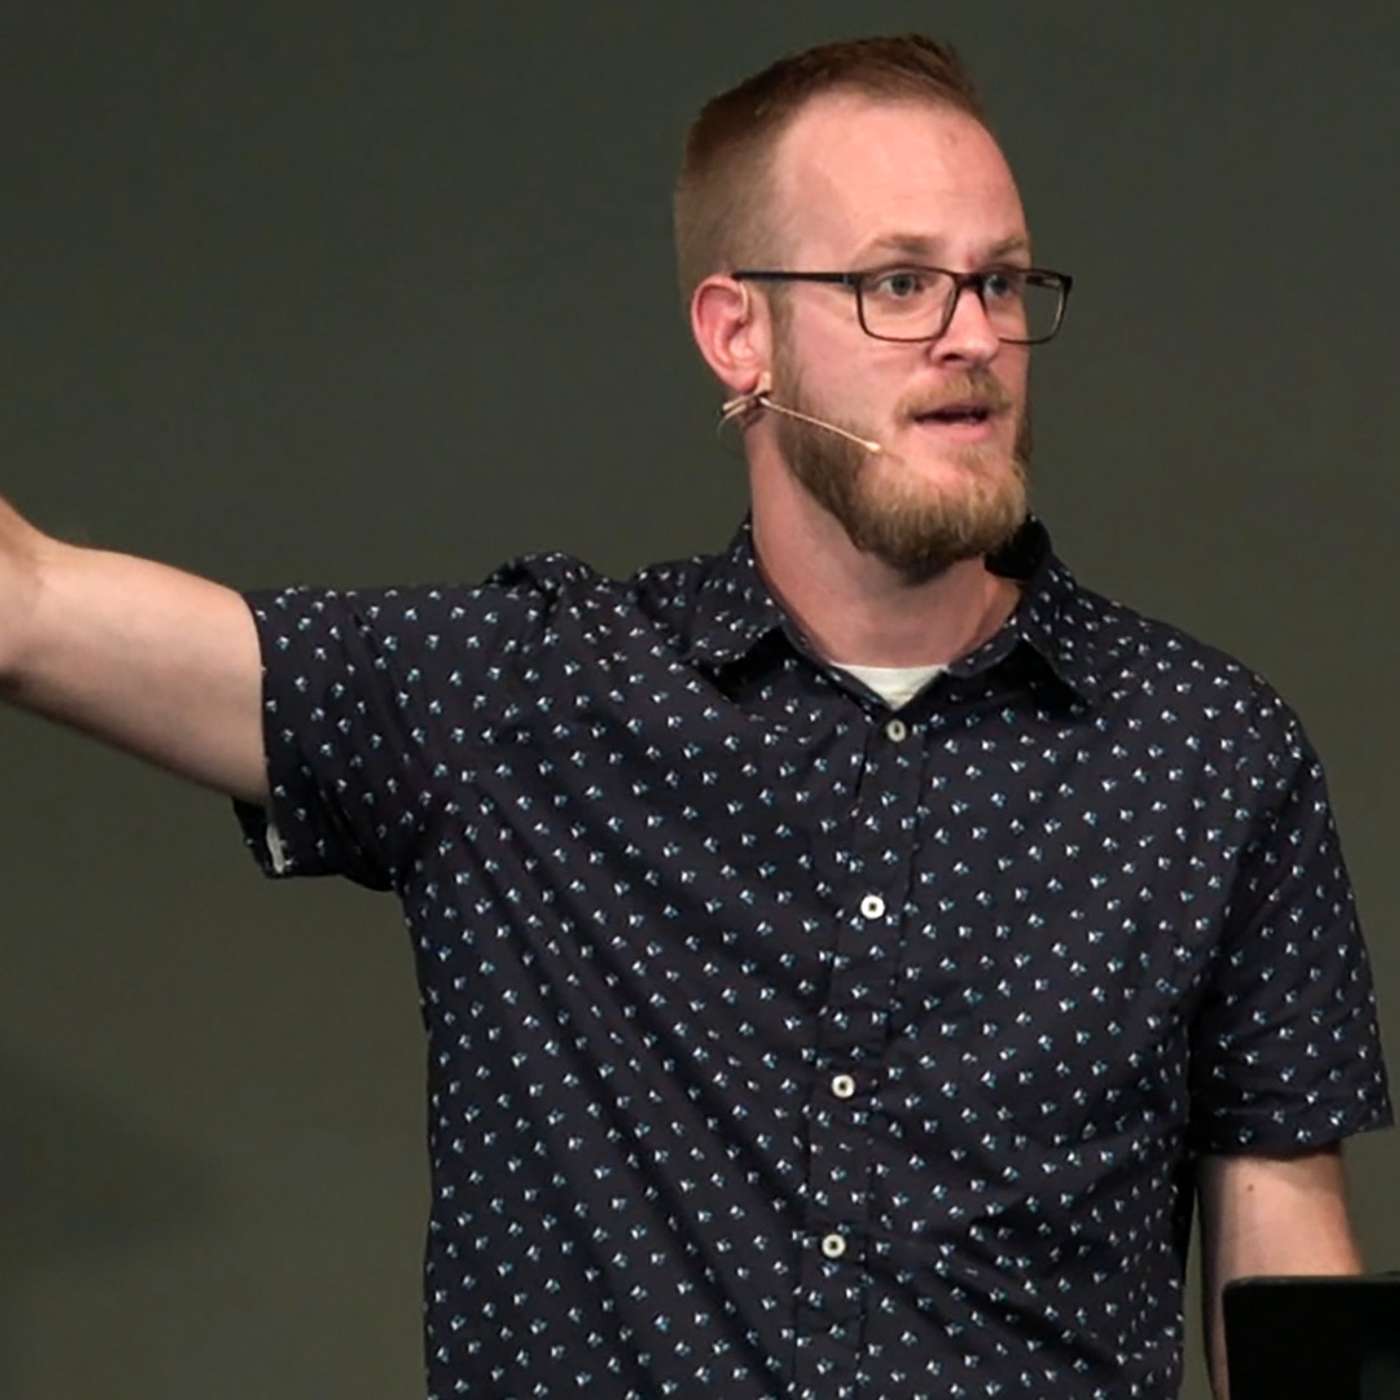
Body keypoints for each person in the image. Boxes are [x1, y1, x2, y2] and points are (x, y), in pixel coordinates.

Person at [0, 32, 1389, 1400]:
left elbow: (1283, 1283)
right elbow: (29, 606)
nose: (973, 336)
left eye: (1001, 281)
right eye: (900, 283)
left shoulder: (1208, 755)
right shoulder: (528, 698)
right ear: (740, 335)